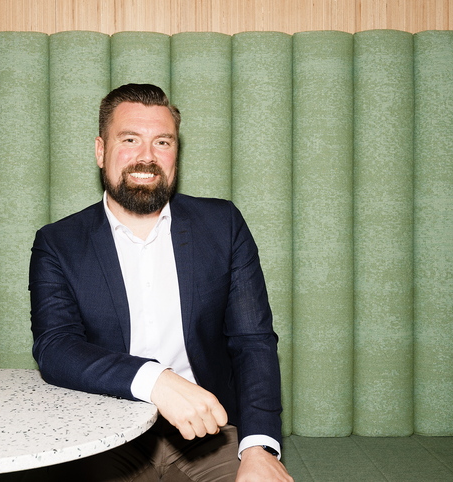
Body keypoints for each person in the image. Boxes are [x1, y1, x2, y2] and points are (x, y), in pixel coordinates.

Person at [29, 83, 293, 482]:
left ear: (176, 153)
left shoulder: (223, 225)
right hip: (106, 432)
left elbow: (252, 341)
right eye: (130, 140)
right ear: (100, 151)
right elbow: (55, 347)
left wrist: (258, 447)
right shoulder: (58, 243)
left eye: (162, 142)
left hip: (209, 431)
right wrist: (155, 381)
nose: (147, 156)